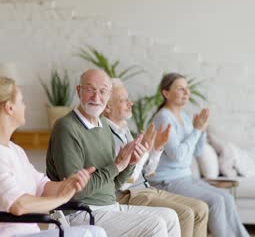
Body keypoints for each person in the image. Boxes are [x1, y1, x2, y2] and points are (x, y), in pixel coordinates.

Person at [0, 76, 106, 237]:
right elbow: (18, 205)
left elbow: (41, 185)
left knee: (97, 232)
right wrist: (61, 198)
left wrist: (69, 184)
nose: (25, 106)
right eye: (21, 101)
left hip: (26, 233)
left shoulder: (12, 149)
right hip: (3, 235)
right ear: (9, 108)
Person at [46, 69, 180, 237]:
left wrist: (129, 163)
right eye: (90, 89)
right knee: (154, 225)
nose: (96, 97)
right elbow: (75, 191)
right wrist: (116, 165)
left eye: (102, 91)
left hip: (108, 206)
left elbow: (113, 185)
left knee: (170, 216)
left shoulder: (103, 125)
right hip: (78, 213)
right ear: (79, 91)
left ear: (108, 95)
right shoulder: (66, 127)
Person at [103, 78, 209, 237]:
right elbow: (125, 181)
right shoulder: (105, 135)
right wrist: (146, 149)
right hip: (129, 195)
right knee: (185, 213)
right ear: (107, 107)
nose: (130, 103)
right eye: (123, 100)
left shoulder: (124, 130)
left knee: (201, 208)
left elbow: (147, 172)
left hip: (146, 188)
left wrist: (156, 148)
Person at [150, 73, 250, 237]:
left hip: (185, 177)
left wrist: (201, 131)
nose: (186, 92)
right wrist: (196, 130)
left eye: (187, 88)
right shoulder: (163, 118)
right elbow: (178, 156)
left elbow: (196, 152)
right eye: (180, 88)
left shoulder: (184, 116)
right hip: (166, 181)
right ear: (166, 93)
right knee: (215, 201)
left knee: (227, 198)